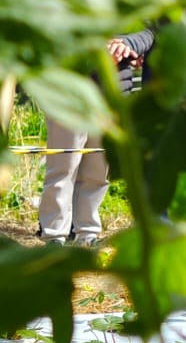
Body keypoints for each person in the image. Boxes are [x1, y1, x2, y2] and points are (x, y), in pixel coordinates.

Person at [37, 30, 155, 247]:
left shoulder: (134, 0)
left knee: (98, 172)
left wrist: (127, 43)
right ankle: (54, 236)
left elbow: (149, 30)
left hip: (114, 93)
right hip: (69, 91)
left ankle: (87, 234)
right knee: (63, 167)